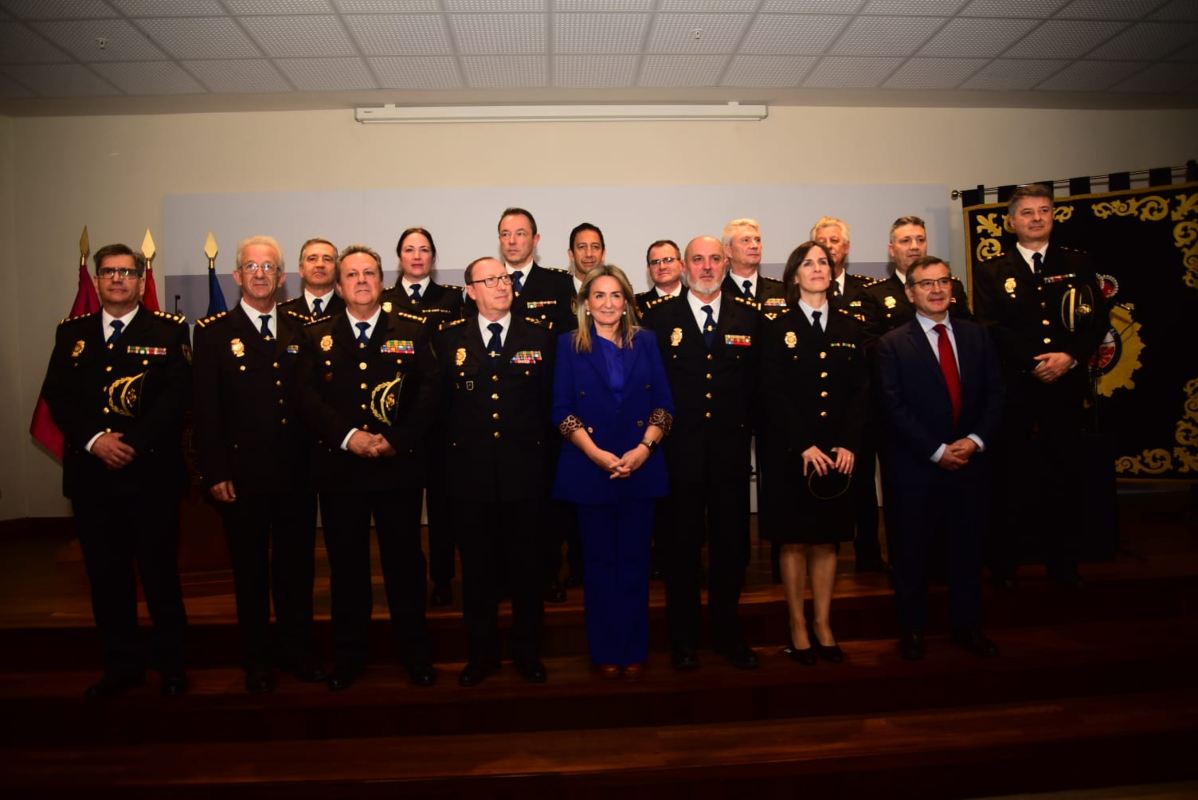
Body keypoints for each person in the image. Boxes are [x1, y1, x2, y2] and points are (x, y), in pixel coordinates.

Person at [40, 243, 191, 697]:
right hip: (93, 478)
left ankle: (172, 666)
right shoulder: (72, 333)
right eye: (109, 272)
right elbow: (58, 397)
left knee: (160, 574)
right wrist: (95, 441)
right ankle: (122, 665)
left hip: (151, 476)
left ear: (142, 280)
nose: (118, 280)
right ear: (98, 279)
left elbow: (178, 397)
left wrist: (132, 443)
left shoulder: (167, 329)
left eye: (127, 273)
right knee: (107, 578)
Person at [295, 244, 441, 691]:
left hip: (397, 470)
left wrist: (394, 440)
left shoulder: (414, 330)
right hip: (342, 471)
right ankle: (349, 657)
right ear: (338, 286)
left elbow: (429, 397)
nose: (362, 281)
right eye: (352, 275)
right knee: (348, 569)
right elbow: (307, 399)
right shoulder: (315, 333)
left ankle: (416, 655)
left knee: (405, 567)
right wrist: (348, 437)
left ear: (383, 280)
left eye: (370, 274)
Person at [193, 235, 324, 693]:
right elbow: (205, 411)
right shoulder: (212, 333)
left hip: (295, 476)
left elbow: (311, 404)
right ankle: (257, 659)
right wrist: (214, 471)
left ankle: (296, 652)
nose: (261, 273)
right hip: (241, 478)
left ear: (282, 277)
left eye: (269, 267)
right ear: (237, 276)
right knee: (250, 574)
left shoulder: (299, 331)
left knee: (296, 571)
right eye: (252, 266)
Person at [973, 184, 1109, 590]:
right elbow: (990, 327)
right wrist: (1033, 363)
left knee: (1064, 472)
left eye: (1044, 211)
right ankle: (1006, 561)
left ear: (1053, 216)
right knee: (1010, 474)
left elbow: (1096, 320)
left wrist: (1068, 357)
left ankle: (1063, 561)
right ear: (1011, 222)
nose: (1036, 218)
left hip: (1065, 385)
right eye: (1027, 212)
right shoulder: (992, 269)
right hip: (1016, 387)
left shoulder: (1077, 263)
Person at [641, 236, 761, 672]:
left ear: (727, 264)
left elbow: (759, 391)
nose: (707, 267)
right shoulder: (657, 319)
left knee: (731, 551)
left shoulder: (749, 317)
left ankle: (729, 635)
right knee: (680, 552)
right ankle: (684, 639)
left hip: (730, 457)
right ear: (684, 267)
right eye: (698, 259)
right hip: (677, 458)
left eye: (714, 259)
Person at [436, 257, 556, 686]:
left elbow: (549, 409)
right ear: (471, 290)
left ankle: (527, 652)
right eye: (490, 280)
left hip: (526, 476)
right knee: (479, 574)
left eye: (504, 278)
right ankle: (481, 654)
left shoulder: (540, 336)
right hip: (470, 480)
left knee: (528, 571)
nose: (501, 286)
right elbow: (441, 413)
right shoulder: (450, 340)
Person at [877, 256, 1003, 660]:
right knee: (911, 554)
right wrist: (936, 451)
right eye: (925, 283)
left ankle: (968, 627)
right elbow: (892, 407)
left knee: (968, 551)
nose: (936, 289)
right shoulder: (891, 344)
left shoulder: (977, 337)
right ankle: (913, 632)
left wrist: (976, 440)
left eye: (943, 282)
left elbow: (996, 394)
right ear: (909, 292)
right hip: (916, 469)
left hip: (971, 464)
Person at [552, 265, 673, 679]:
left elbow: (663, 406)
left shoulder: (647, 342)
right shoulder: (568, 345)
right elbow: (562, 411)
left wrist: (644, 449)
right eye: (599, 296)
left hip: (641, 468)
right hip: (591, 470)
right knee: (600, 565)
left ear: (627, 303)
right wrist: (597, 453)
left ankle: (633, 648)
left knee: (636, 564)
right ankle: (604, 650)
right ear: (586, 303)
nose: (607, 303)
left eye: (615, 296)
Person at [759, 241, 867, 665]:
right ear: (794, 276)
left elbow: (860, 391)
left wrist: (849, 442)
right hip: (792, 450)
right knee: (795, 540)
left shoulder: (850, 327)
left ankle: (823, 622)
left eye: (824, 262)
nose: (818, 269)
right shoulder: (775, 326)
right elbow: (771, 392)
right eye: (808, 263)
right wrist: (802, 443)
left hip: (837, 451)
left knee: (828, 540)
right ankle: (797, 625)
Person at [486, 207, 579, 602]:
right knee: (502, 505)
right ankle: (504, 575)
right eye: (505, 234)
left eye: (520, 233)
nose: (512, 240)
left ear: (535, 240)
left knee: (545, 503)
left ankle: (547, 574)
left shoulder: (557, 285)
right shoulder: (487, 279)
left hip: (545, 410)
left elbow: (574, 344)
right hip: (501, 413)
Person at [379, 227, 464, 608]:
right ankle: (409, 580)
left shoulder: (452, 298)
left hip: (443, 419)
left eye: (424, 250)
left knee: (445, 509)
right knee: (404, 510)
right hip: (401, 421)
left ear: (433, 257)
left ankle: (442, 578)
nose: (417, 256)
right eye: (409, 250)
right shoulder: (383, 300)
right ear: (399, 256)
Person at [811, 216, 884, 574]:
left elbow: (873, 347)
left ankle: (868, 553)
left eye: (835, 240)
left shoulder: (867, 291)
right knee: (818, 484)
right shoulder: (801, 291)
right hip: (816, 406)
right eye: (821, 241)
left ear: (846, 247)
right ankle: (824, 556)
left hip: (857, 404)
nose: (829, 246)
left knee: (862, 485)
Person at [863, 216, 971, 338]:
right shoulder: (874, 294)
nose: (915, 246)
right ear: (892, 250)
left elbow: (968, 333)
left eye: (921, 240)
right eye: (905, 241)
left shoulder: (952, 287)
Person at [721, 218, 785, 307]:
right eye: (746, 240)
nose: (755, 246)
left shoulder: (781, 290)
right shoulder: (718, 292)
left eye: (758, 240)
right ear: (728, 250)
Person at [279, 237, 344, 318]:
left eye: (327, 259)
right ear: (301, 269)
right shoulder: (282, 313)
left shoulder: (349, 310)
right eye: (312, 259)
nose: (320, 264)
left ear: (336, 270)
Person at [635, 239, 684, 310]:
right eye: (655, 262)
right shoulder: (636, 305)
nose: (662, 267)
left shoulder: (697, 298)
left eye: (668, 260)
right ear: (649, 269)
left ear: (681, 265)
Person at [567, 222, 606, 292]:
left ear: (603, 254)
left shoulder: (617, 294)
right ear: (571, 255)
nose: (589, 254)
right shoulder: (556, 293)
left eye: (595, 247)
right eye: (582, 247)